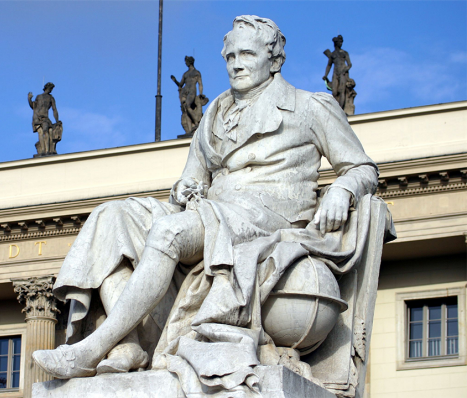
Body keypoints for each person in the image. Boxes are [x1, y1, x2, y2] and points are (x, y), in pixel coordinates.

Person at [33, 15, 378, 380]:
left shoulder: (311, 107)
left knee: (169, 233)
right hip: (213, 212)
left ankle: (93, 347)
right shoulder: (215, 111)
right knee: (110, 218)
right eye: (230, 56)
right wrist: (182, 189)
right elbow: (191, 179)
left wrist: (343, 188)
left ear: (274, 60)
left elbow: (362, 168)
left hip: (265, 217)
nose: (236, 63)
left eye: (247, 53)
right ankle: (127, 343)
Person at [171, 56, 208, 135]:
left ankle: (196, 122)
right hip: (185, 92)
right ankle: (190, 130)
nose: (185, 63)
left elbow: (200, 84)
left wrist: (201, 93)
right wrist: (175, 81)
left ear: (190, 62)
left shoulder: (196, 72)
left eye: (186, 62)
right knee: (186, 109)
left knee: (188, 105)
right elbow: (180, 84)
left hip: (192, 91)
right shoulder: (185, 74)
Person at [28, 82, 59, 156]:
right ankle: (42, 150)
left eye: (51, 89)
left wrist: (57, 120)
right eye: (50, 88)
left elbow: (54, 110)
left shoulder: (51, 98)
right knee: (41, 133)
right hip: (37, 117)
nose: (51, 90)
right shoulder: (39, 96)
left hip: (45, 118)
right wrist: (29, 99)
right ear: (47, 88)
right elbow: (33, 106)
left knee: (46, 131)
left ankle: (47, 150)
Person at [323, 35, 352, 112]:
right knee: (334, 92)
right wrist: (325, 75)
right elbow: (329, 65)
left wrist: (345, 69)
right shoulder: (333, 54)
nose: (341, 43)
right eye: (340, 42)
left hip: (342, 73)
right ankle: (335, 109)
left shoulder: (345, 53)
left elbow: (349, 64)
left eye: (342, 42)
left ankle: (341, 110)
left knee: (342, 91)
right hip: (335, 73)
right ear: (336, 43)